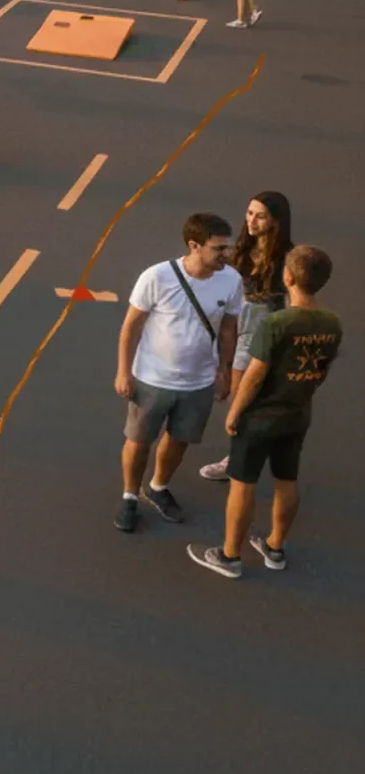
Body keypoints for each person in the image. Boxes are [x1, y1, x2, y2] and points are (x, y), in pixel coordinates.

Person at [188, 246, 342, 579]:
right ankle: (275, 547)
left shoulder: (277, 322)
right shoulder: (332, 323)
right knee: (287, 480)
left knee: (242, 484)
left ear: (288, 277)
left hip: (260, 417)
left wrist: (235, 412)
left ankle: (230, 556)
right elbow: (322, 368)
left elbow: (255, 373)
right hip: (298, 414)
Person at [112, 213, 242, 533]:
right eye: (219, 249)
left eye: (228, 247)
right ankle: (129, 495)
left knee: (180, 440)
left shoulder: (232, 280)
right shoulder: (156, 277)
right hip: (152, 378)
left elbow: (228, 330)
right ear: (194, 246)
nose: (227, 254)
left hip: (199, 381)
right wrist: (123, 372)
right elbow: (131, 327)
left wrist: (224, 370)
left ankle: (157, 486)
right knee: (139, 441)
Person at [198, 193, 292, 481]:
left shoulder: (287, 257)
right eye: (249, 213)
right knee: (238, 398)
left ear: (276, 221)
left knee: (242, 399)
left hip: (261, 330)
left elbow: (293, 301)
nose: (251, 220)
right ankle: (244, 454)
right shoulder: (239, 249)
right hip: (234, 324)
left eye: (260, 216)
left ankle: (237, 460)